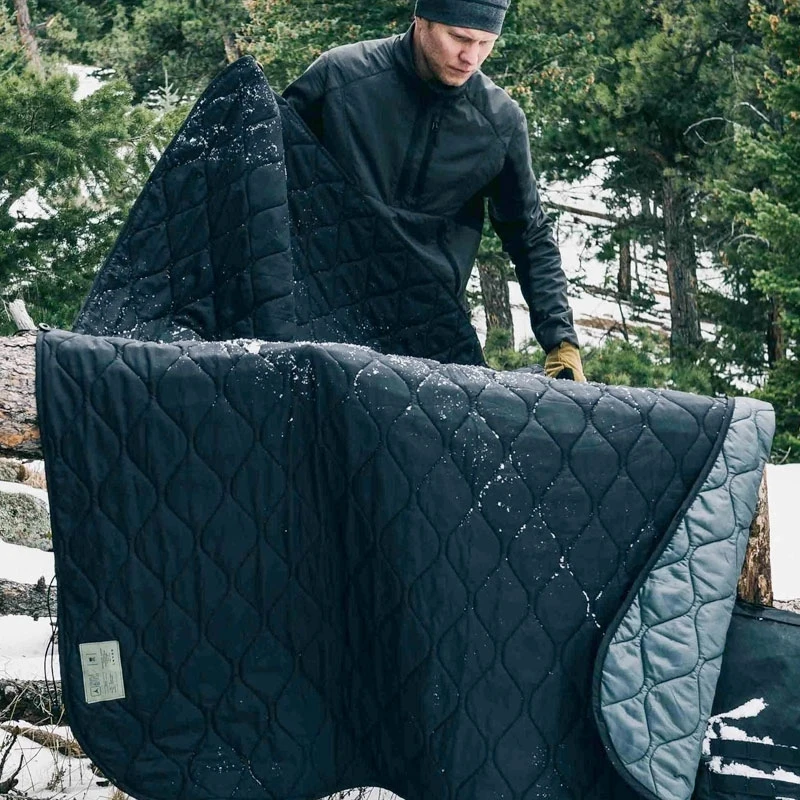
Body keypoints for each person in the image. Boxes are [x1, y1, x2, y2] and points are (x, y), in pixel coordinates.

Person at [283, 0, 585, 380]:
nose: (471, 57)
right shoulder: (340, 76)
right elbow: (268, 173)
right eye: (459, 38)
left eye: (486, 42)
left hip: (430, 327)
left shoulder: (500, 122)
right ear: (421, 19)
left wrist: (561, 342)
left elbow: (529, 234)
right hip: (322, 306)